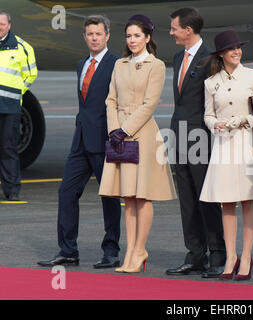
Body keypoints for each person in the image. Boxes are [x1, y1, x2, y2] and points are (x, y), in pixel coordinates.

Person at [38, 15, 121, 268]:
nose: (94, 38)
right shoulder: (81, 64)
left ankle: (111, 250)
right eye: (89, 34)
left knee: (109, 196)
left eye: (98, 33)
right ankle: (68, 250)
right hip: (80, 140)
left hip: (105, 140)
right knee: (66, 192)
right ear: (84, 37)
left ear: (107, 35)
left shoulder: (117, 64)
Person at [98, 15, 176, 273]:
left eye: (137, 36)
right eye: (129, 36)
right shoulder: (119, 64)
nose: (132, 40)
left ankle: (140, 249)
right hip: (118, 135)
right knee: (127, 197)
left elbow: (150, 104)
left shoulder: (156, 65)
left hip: (142, 135)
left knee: (143, 196)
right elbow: (110, 99)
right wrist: (113, 130)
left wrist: (125, 129)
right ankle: (130, 251)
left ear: (148, 38)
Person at [199, 30, 253, 281]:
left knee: (247, 200)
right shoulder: (211, 82)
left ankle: (247, 256)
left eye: (238, 47)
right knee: (226, 202)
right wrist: (213, 124)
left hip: (247, 143)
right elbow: (207, 114)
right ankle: (231, 256)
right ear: (221, 54)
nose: (236, 51)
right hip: (222, 145)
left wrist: (245, 120)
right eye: (231, 49)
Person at [166, 7, 226, 278]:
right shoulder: (180, 57)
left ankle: (217, 254)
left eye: (175, 28)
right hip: (179, 135)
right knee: (187, 199)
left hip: (201, 136)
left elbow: (215, 101)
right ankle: (195, 254)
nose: (171, 32)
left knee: (206, 198)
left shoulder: (210, 58)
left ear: (188, 30)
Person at [0, 9, 37, 201]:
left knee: (8, 148)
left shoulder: (22, 48)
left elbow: (31, 74)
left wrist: (17, 93)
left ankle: (12, 189)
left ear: (9, 25)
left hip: (10, 107)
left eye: (2, 24)